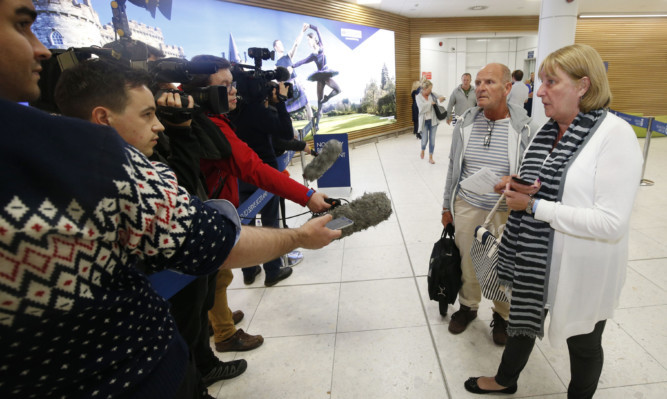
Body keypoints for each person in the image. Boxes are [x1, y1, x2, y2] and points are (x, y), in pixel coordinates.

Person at [0, 2, 340, 397]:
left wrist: (182, 128)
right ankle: (218, 337)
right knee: (196, 302)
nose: (40, 48)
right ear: (102, 119)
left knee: (210, 293)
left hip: (164, 322)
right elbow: (221, 218)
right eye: (22, 24)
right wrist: (300, 230)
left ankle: (218, 328)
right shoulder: (92, 158)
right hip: (146, 367)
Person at [53, 59, 248, 394]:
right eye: (147, 114)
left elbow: (216, 151)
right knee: (186, 321)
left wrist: (184, 125)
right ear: (103, 118)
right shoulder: (120, 179)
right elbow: (185, 186)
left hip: (157, 336)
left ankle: (203, 362)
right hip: (145, 354)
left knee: (199, 308)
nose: (158, 125)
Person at [464, 44, 643, 397]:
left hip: (582, 270)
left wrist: (532, 207)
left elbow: (611, 222)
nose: (538, 91)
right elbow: (547, 185)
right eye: (541, 81)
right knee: (523, 321)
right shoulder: (549, 132)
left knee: (585, 343)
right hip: (535, 263)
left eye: (550, 82)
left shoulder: (615, 135)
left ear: (583, 86)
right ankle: (505, 379)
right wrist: (515, 186)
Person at [180, 54, 331, 356]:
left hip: (216, 209)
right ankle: (222, 336)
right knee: (211, 278)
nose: (233, 90)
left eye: (233, 84)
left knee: (218, 277)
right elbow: (256, 167)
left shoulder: (211, 119)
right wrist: (307, 195)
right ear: (202, 92)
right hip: (209, 217)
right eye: (224, 86)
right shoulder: (212, 125)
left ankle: (216, 319)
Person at [441, 63, 540, 345]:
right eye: (479, 83)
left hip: (506, 211)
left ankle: (502, 315)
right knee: (468, 261)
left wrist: (515, 185)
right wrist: (446, 207)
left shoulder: (527, 128)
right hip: (468, 205)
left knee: (503, 266)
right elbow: (453, 167)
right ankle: (468, 306)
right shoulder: (465, 124)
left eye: (490, 82)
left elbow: (537, 177)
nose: (481, 88)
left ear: (508, 88)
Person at [292, 24, 341, 129]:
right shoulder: (312, 55)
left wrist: (309, 26)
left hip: (326, 74)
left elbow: (318, 29)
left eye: (308, 40)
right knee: (319, 104)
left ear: (313, 39)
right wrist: (292, 66)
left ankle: (327, 98)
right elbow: (302, 61)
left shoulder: (321, 46)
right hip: (319, 77)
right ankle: (317, 125)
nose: (307, 42)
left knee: (338, 90)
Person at [273, 23, 314, 135]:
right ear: (275, 47)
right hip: (287, 88)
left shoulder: (288, 56)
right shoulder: (276, 65)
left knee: (307, 103)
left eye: (282, 44)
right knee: (285, 112)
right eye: (279, 44)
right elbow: (277, 81)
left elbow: (296, 44)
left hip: (296, 84)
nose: (282, 46)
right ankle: (293, 133)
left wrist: (302, 31)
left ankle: (313, 127)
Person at [415, 79, 445, 164]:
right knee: (424, 140)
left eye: (431, 89)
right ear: (424, 89)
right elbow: (421, 108)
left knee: (432, 140)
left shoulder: (432, 94)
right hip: (424, 122)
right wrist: (430, 104)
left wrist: (441, 98)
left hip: (433, 121)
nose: (431, 91)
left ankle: (431, 157)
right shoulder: (418, 97)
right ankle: (423, 149)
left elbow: (440, 97)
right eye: (429, 89)